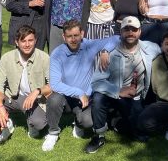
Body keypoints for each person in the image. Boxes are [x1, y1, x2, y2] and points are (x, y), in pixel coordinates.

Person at [86, 16, 160, 154]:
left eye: (134, 29)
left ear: (140, 32)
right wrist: (118, 90)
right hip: (112, 94)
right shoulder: (109, 54)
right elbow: (96, 82)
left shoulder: (150, 48)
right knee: (97, 98)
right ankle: (99, 136)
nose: (130, 33)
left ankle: (115, 122)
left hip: (134, 97)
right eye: (126, 29)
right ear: (121, 32)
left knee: (141, 129)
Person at [42, 19, 116, 152]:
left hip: (85, 100)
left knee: (87, 121)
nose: (73, 39)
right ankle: (53, 133)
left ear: (82, 34)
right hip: (65, 97)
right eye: (69, 36)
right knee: (53, 99)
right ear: (64, 37)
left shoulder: (89, 45)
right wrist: (78, 92)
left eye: (76, 35)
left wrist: (105, 50)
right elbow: (55, 84)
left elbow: (116, 38)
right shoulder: (57, 53)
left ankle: (77, 123)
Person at [0, 25, 51, 144]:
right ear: (16, 42)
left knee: (39, 123)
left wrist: (37, 91)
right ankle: (7, 124)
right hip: (12, 97)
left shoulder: (44, 58)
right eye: (23, 41)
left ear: (35, 40)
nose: (27, 44)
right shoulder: (7, 58)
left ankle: (31, 125)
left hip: (34, 99)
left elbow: (54, 84)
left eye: (30, 40)